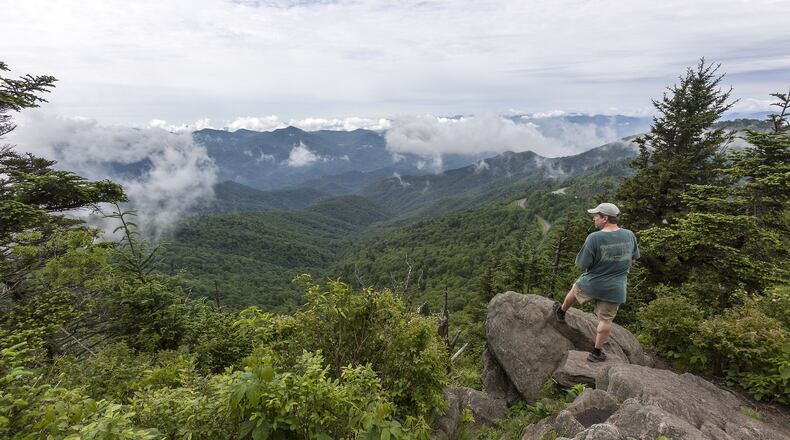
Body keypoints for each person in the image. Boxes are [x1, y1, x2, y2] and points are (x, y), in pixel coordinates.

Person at [552, 202, 640, 362]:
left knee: (575, 288)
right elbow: (634, 257)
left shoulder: (594, 238)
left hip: (592, 283)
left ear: (605, 218)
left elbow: (582, 264)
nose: (594, 218)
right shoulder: (629, 235)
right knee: (606, 321)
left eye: (596, 216)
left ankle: (561, 312)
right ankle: (596, 352)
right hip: (616, 287)